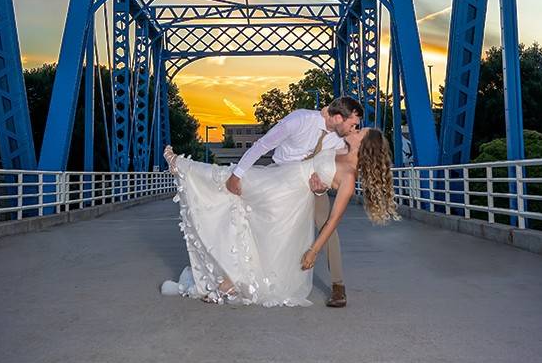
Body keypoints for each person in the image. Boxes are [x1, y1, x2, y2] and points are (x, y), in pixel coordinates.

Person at [161, 127, 397, 307]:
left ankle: (182, 166)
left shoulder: (348, 178)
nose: (355, 130)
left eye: (360, 132)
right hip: (282, 177)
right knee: (254, 228)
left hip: (287, 195)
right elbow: (315, 171)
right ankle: (233, 281)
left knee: (234, 181)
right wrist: (320, 188)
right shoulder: (339, 149)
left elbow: (333, 219)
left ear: (364, 145)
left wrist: (313, 250)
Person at [226, 97, 362, 307]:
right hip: (280, 178)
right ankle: (241, 275)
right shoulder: (298, 120)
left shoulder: (340, 138)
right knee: (261, 224)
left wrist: (322, 188)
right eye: (353, 123)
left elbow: (335, 169)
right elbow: (263, 145)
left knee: (326, 226)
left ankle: (338, 286)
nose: (355, 128)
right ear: (337, 117)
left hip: (312, 185)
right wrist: (238, 173)